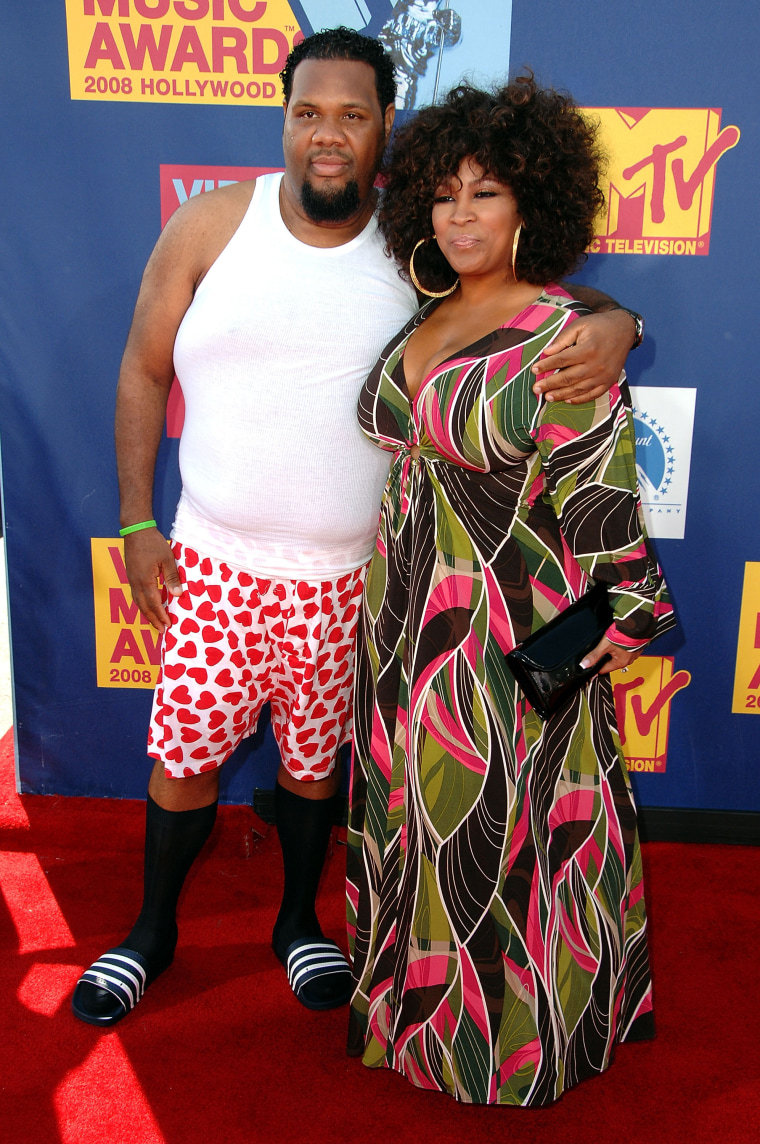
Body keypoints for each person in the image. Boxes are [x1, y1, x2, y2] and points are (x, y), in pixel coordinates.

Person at [71, 30, 640, 1028]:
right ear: (281, 117)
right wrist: (132, 520)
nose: (326, 135)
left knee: (311, 766)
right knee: (183, 755)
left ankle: (299, 924)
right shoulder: (209, 224)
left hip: (357, 581)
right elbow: (140, 370)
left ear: (384, 127)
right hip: (212, 564)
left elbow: (514, 301)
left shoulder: (408, 248)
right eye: (307, 112)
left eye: (352, 114)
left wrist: (617, 319)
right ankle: (150, 933)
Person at [347, 76, 675, 1105]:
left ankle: (504, 1047)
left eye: (484, 194)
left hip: (498, 635)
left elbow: (600, 496)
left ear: (531, 202)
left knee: (487, 837)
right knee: (410, 819)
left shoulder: (564, 333)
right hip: (399, 625)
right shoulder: (425, 312)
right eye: (442, 195)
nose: (459, 215)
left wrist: (614, 625)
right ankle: (410, 1022)